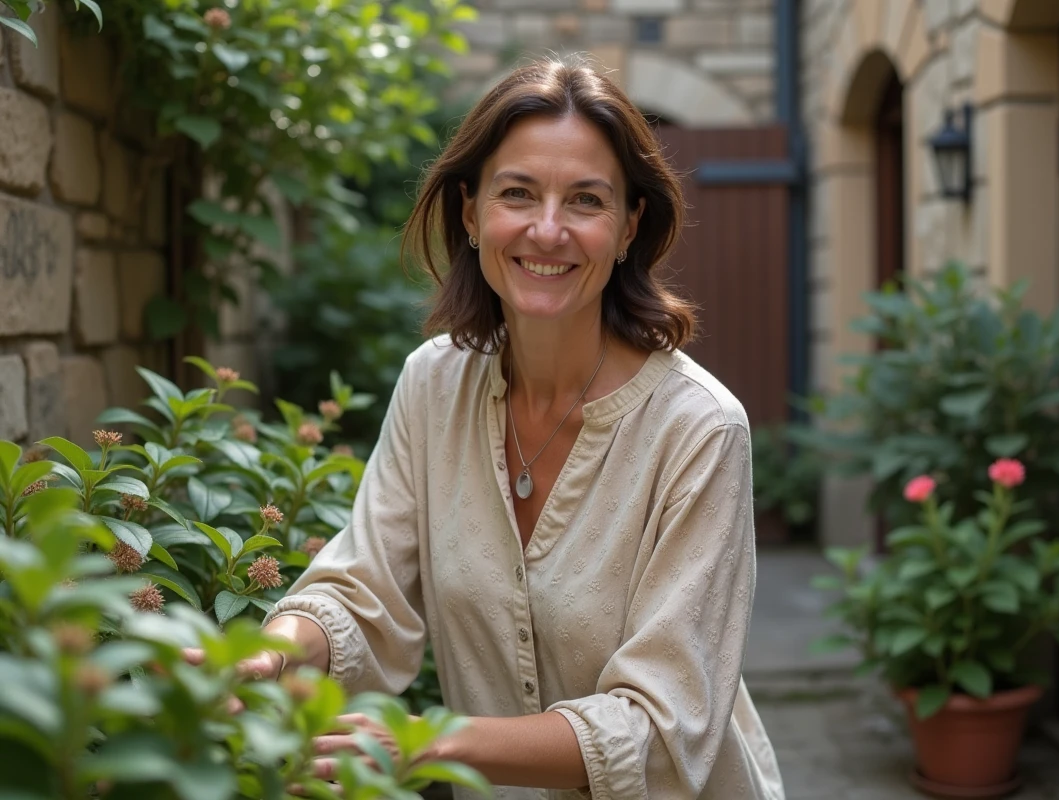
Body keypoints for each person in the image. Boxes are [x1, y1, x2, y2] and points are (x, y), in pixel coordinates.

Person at [254, 55, 785, 799]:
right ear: (471, 214)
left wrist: (424, 743)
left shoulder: (700, 430)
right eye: (518, 193)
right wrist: (271, 656)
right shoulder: (433, 385)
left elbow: (662, 729)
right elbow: (365, 591)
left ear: (629, 227)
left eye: (586, 200)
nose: (548, 228)